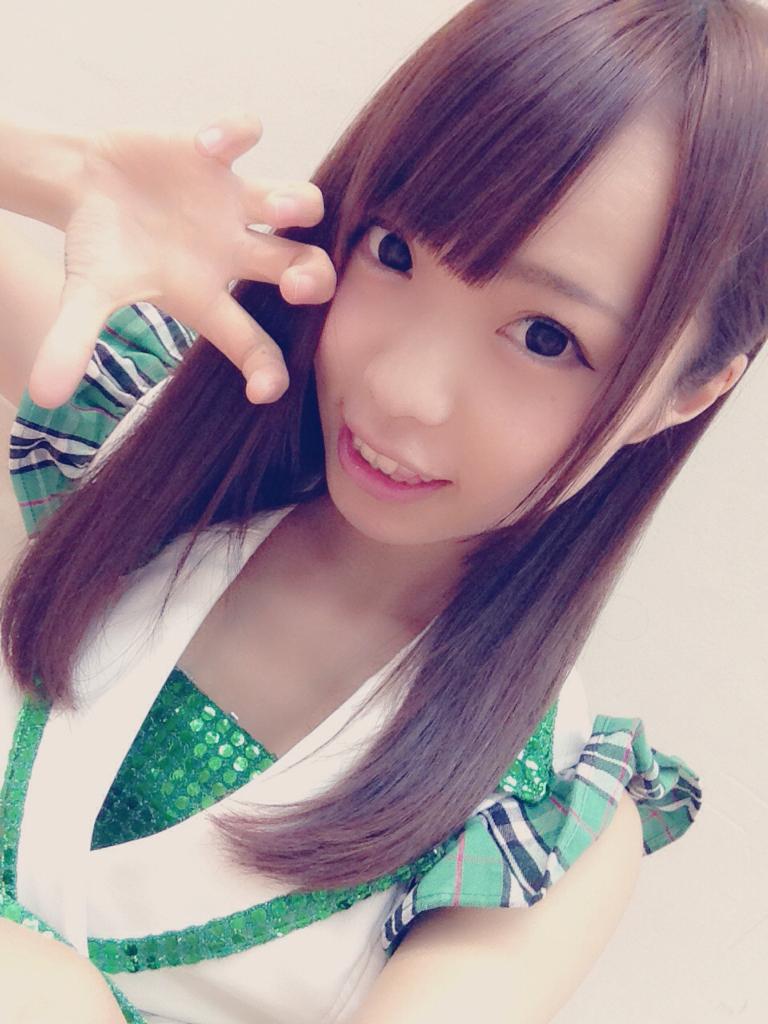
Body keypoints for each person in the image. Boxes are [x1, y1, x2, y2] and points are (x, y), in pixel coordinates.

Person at [0, 0, 764, 1020]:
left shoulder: (536, 828)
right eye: (395, 252)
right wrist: (51, 167)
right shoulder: (137, 429)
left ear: (690, 391)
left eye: (545, 337)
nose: (404, 390)